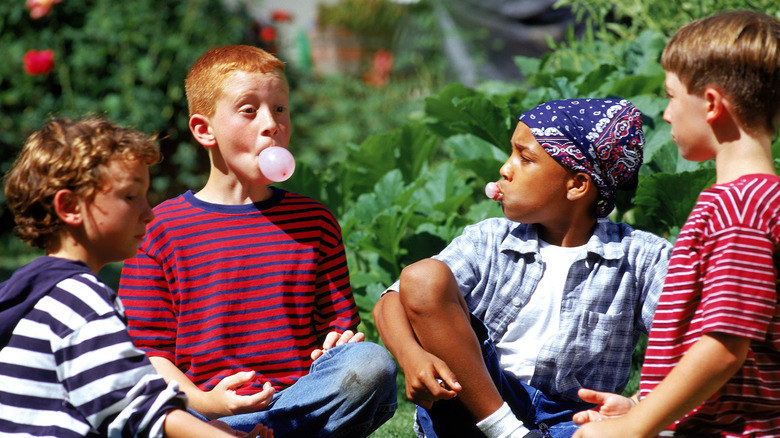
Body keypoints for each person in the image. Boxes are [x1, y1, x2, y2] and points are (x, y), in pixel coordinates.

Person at [117, 45, 397, 437]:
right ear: (204, 130)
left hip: (296, 402)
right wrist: (205, 402)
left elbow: (336, 332)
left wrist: (336, 342)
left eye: (280, 108)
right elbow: (148, 356)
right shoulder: (160, 229)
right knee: (153, 415)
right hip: (202, 413)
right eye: (249, 110)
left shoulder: (314, 222)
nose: (271, 124)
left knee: (371, 362)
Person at [373, 98, 673, 438]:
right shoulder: (488, 239)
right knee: (424, 276)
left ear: (576, 185)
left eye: (524, 158)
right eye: (510, 154)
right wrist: (411, 356)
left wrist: (638, 404)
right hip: (474, 403)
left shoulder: (640, 257)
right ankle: (508, 432)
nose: (505, 168)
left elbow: (690, 342)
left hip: (574, 421)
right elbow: (389, 303)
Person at [572, 10, 780, 438]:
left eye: (670, 96)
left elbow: (725, 347)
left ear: (711, 104)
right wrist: (638, 404)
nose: (665, 114)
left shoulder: (740, 209)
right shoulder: (752, 201)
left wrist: (636, 427)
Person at [0, 117, 272, 438]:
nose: (149, 212)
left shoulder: (36, 294)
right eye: (130, 197)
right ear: (71, 206)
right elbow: (134, 409)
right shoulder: (80, 302)